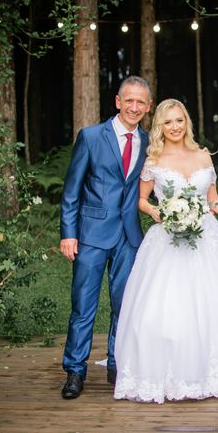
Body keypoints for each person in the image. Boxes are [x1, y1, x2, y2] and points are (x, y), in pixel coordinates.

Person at [113, 99, 218, 403]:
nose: (175, 127)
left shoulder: (203, 156)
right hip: (167, 240)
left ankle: (217, 372)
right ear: (159, 126)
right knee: (167, 308)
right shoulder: (154, 160)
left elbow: (213, 202)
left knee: (217, 306)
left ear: (187, 122)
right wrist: (159, 213)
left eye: (180, 121)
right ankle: (170, 373)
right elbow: (141, 199)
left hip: (207, 237)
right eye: (168, 122)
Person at [59, 76, 152, 399]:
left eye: (141, 102)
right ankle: (75, 370)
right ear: (117, 101)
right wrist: (68, 234)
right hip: (91, 235)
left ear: (148, 107)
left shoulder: (149, 142)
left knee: (123, 305)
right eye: (129, 100)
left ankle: (117, 365)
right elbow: (71, 191)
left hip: (129, 236)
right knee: (83, 306)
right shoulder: (91, 137)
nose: (134, 107)